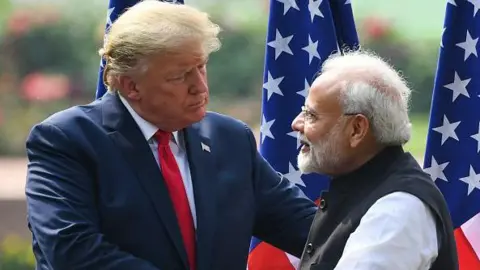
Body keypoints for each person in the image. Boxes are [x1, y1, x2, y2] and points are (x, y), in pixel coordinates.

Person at [24, 1, 317, 269]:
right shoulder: (67, 140)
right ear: (131, 86)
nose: (200, 87)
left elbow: (306, 229)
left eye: (201, 67)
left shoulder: (230, 139)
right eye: (180, 76)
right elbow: (72, 252)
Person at [292, 51, 458, 270]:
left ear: (357, 129)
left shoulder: (398, 208)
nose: (297, 123)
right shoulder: (365, 187)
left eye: (311, 115)